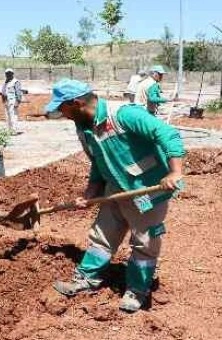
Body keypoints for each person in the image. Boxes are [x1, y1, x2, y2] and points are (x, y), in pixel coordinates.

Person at [45, 79, 185, 313]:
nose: (61, 113)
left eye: (62, 108)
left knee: (144, 241)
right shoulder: (84, 128)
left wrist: (175, 171)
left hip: (146, 189)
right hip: (115, 190)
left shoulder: (123, 115)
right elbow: (98, 163)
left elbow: (168, 133)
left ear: (76, 103)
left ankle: (137, 289)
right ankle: (87, 279)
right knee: (102, 236)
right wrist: (90, 192)